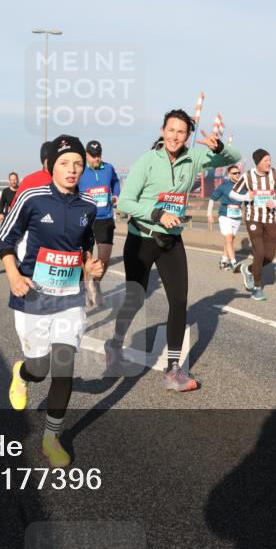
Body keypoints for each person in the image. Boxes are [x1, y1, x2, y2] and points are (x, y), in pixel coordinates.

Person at [104, 109, 241, 386]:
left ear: (188, 136)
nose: (175, 136)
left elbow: (234, 158)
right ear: (162, 131)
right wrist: (157, 214)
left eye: (181, 132)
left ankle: (173, 370)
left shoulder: (194, 158)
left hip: (172, 240)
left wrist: (220, 147)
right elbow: (126, 202)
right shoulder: (148, 161)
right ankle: (115, 344)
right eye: (170, 130)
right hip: (142, 238)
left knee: (178, 301)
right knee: (136, 299)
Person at [0, 135, 103, 467]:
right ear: (51, 167)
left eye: (77, 164)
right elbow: (5, 239)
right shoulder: (32, 197)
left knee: (63, 369)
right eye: (65, 163)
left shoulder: (88, 205)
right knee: (40, 369)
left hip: (69, 298)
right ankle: (22, 373)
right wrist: (14, 276)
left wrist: (90, 265)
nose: (72, 170)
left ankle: (51, 437)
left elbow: (85, 246)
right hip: (33, 295)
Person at [230, 149, 276, 301]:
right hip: (253, 218)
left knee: (269, 256)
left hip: (270, 219)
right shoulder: (247, 177)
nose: (269, 163)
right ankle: (257, 287)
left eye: (270, 159)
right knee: (259, 253)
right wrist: (245, 196)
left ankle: (248, 269)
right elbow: (233, 193)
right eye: (266, 160)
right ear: (258, 163)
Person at [77, 140, 121, 307]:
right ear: (87, 155)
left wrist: (116, 194)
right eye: (93, 156)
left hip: (105, 218)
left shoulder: (108, 168)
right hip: (86, 219)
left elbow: (115, 182)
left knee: (104, 258)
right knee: (84, 258)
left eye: (99, 155)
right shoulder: (80, 170)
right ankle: (84, 287)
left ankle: (95, 282)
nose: (97, 159)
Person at [207, 165, 244, 271]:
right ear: (229, 175)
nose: (237, 175)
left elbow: (248, 200)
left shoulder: (243, 186)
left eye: (238, 173)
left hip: (237, 216)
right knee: (228, 238)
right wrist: (209, 214)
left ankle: (223, 261)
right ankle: (234, 262)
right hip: (225, 215)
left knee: (230, 240)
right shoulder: (223, 186)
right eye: (234, 173)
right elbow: (212, 199)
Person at [9, 142, 53, 209]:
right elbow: (15, 207)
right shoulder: (29, 181)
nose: (52, 161)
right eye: (49, 158)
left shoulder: (68, 180)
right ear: (43, 160)